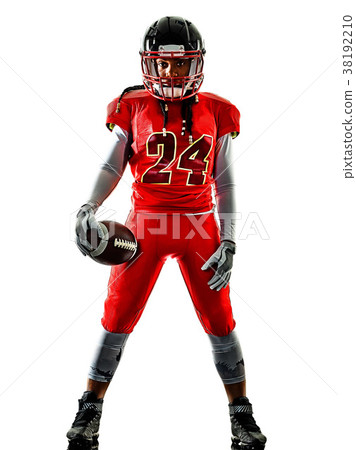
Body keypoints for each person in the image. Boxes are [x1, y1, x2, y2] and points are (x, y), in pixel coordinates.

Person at [66, 16, 267, 450]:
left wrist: (230, 240)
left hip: (200, 225)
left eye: (181, 64)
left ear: (197, 64)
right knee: (116, 316)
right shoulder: (133, 105)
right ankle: (90, 408)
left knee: (219, 320)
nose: (171, 73)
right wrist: (89, 205)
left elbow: (226, 182)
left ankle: (240, 414)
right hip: (145, 225)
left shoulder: (217, 109)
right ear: (148, 66)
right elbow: (112, 164)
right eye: (163, 64)